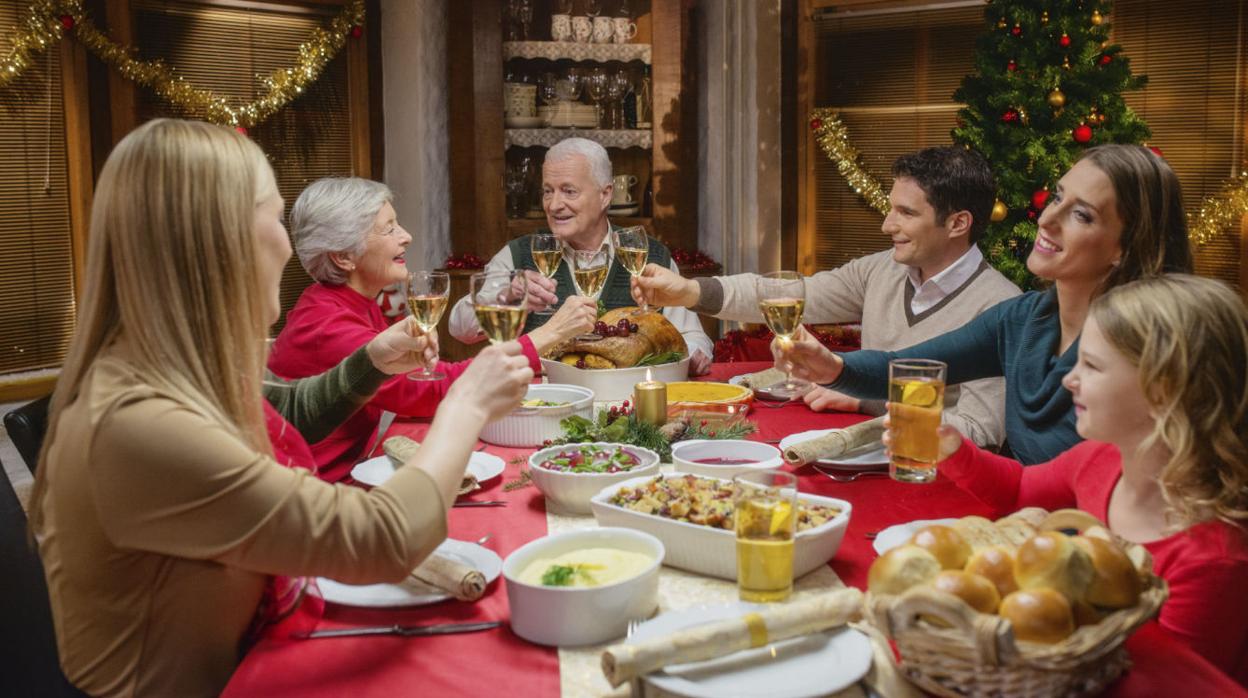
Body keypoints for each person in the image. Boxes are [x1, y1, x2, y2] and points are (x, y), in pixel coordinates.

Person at [27, 119, 534, 697]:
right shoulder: (136, 423)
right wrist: (465, 407)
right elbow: (384, 538)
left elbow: (287, 408)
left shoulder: (164, 367)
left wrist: (371, 359)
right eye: (272, 219)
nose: (289, 245)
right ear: (219, 246)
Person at [891, 275, 1248, 683]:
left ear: (1161, 391)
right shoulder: (1101, 459)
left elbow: (1174, 680)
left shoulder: (1214, 558)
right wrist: (954, 451)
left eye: (1091, 366)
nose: (1068, 379)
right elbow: (1021, 489)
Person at [775, 144, 1193, 464]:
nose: (1046, 220)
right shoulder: (1024, 318)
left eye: (1081, 215)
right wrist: (834, 368)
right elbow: (910, 367)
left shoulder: (1141, 347)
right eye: (1057, 198)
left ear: (1125, 246)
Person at [632, 146, 1019, 449]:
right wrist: (688, 291)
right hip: (864, 451)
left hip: (932, 477)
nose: (888, 225)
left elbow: (978, 432)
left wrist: (866, 399)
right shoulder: (882, 269)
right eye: (890, 209)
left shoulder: (1001, 307)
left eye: (906, 213)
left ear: (958, 223)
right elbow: (789, 294)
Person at [269, 177, 597, 481]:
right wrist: (552, 332)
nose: (406, 236)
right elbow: (436, 392)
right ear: (343, 257)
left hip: (351, 475)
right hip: (323, 496)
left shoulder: (351, 303)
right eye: (389, 229)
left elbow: (423, 382)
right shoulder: (326, 326)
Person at [447, 137, 715, 374]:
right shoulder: (519, 254)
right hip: (546, 404)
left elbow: (694, 337)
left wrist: (690, 355)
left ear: (605, 195)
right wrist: (508, 296)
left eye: (569, 191)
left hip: (629, 406)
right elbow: (460, 327)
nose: (554, 205)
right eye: (548, 191)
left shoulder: (648, 255)